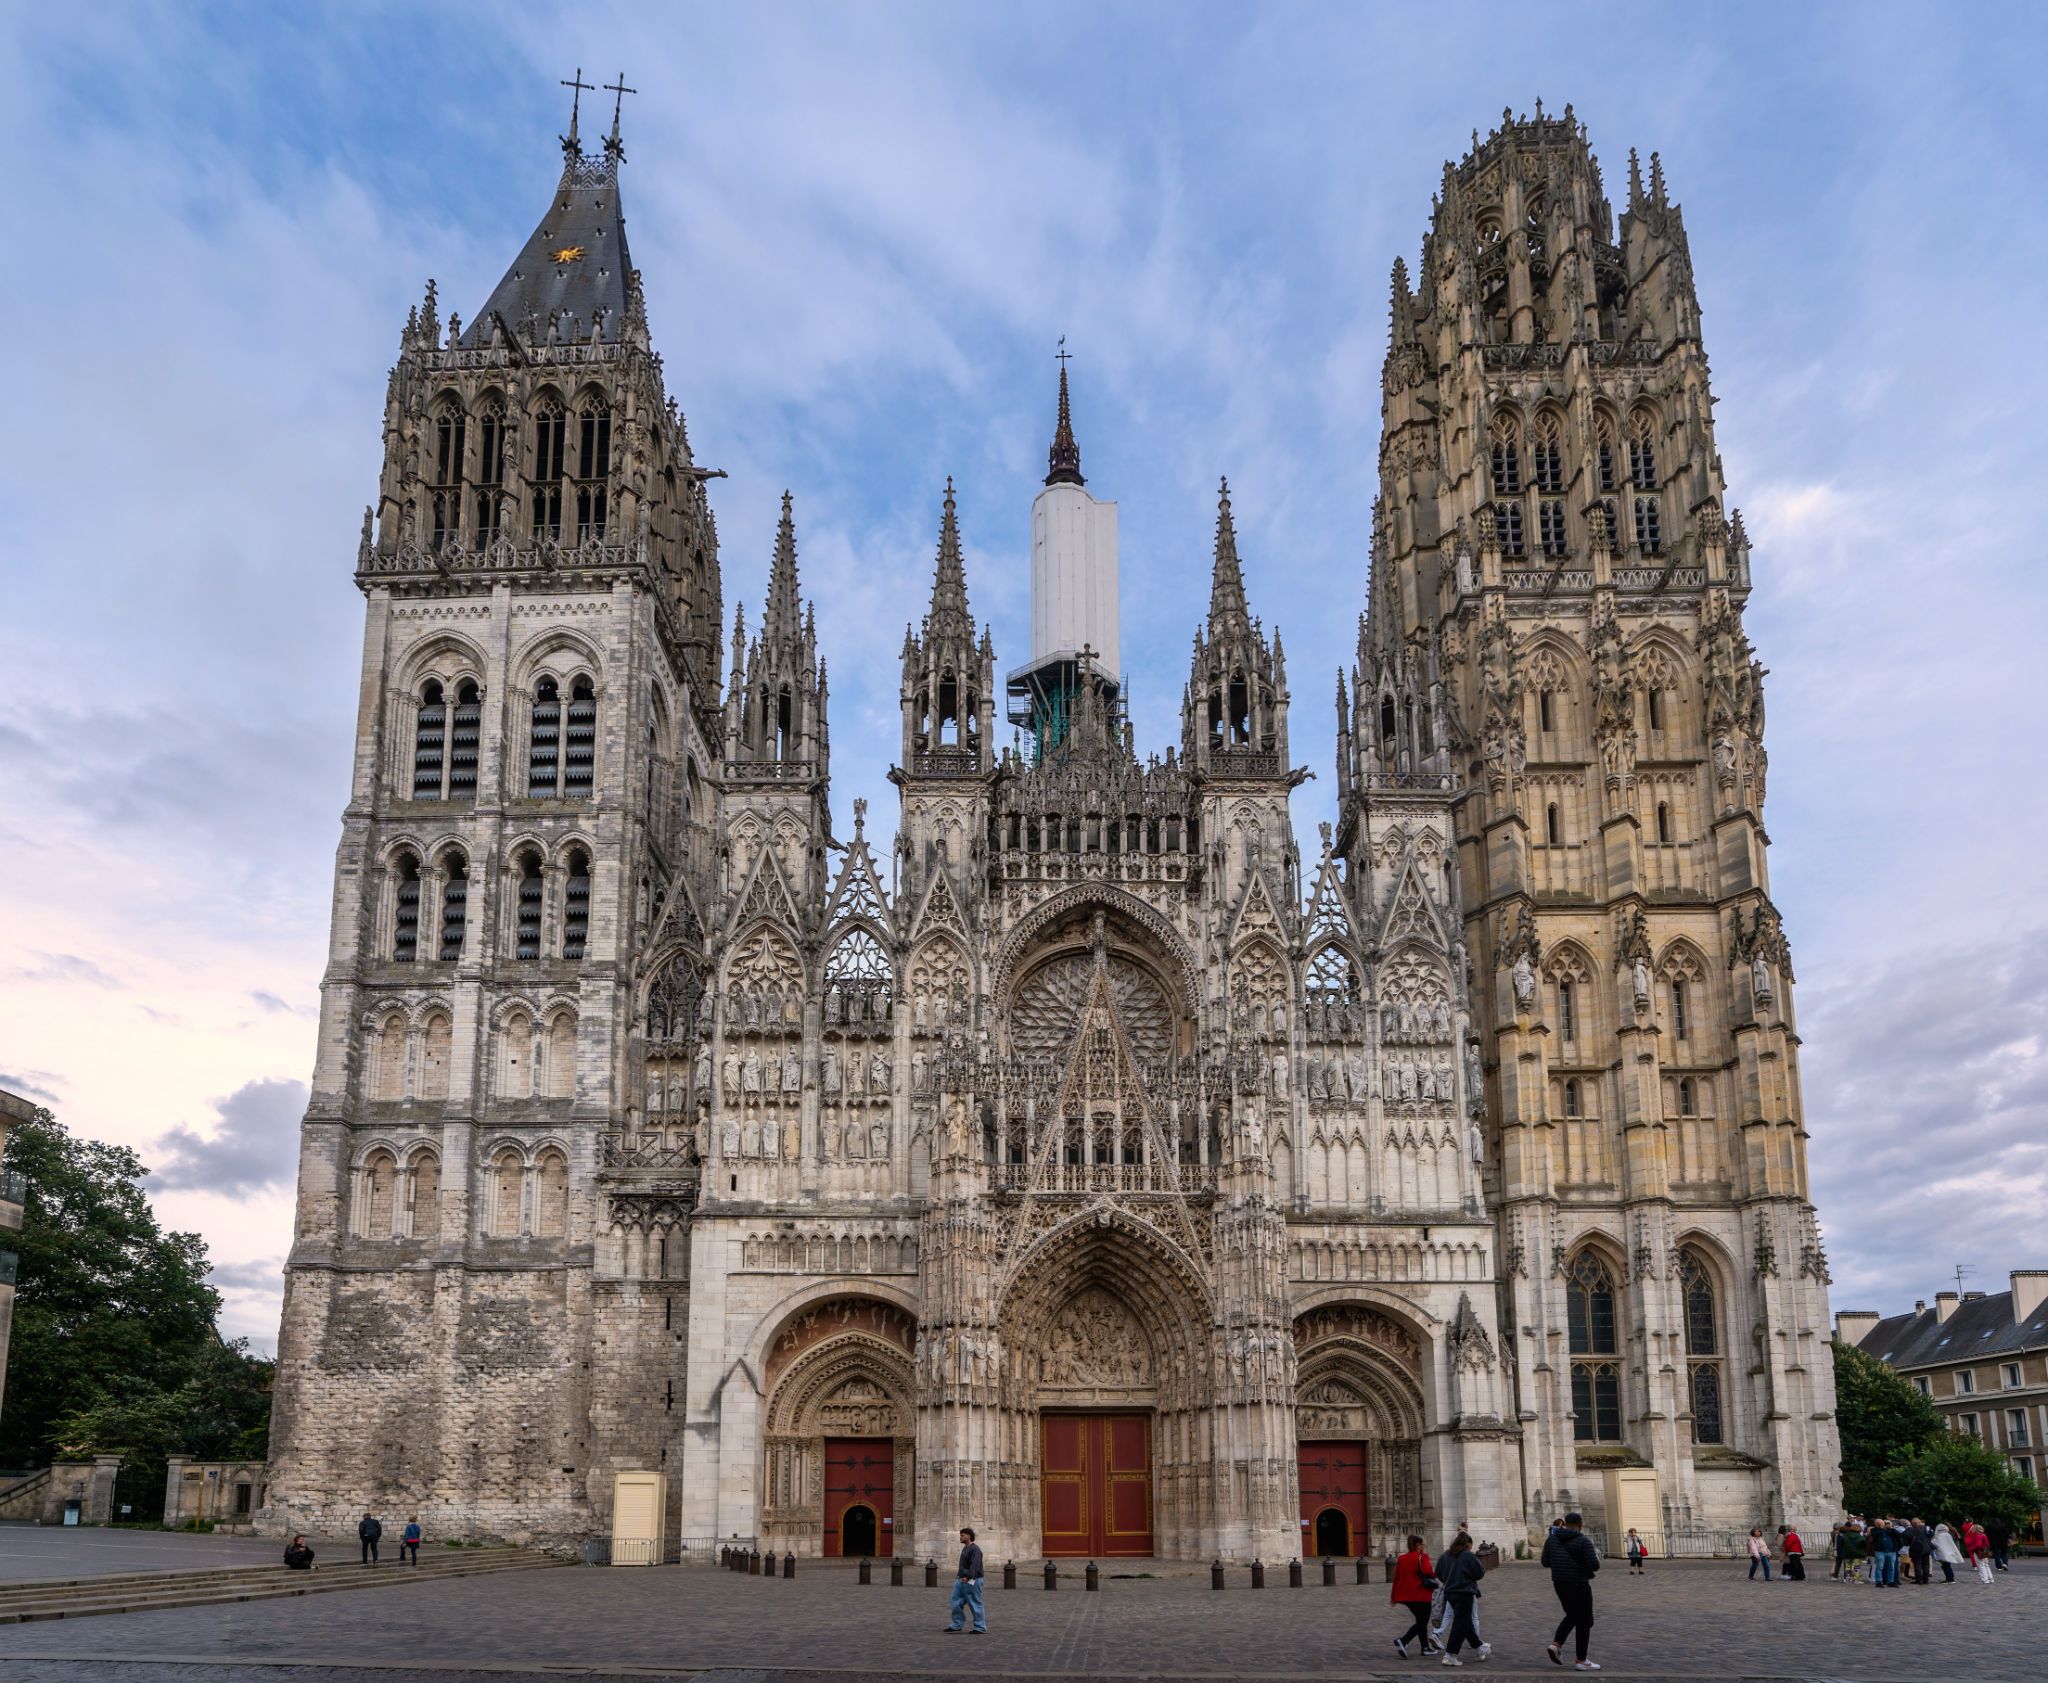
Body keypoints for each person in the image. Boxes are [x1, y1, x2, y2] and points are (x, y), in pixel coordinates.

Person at [1541, 1511, 1601, 1671]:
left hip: (1559, 1583)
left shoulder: (1552, 1539)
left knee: (1573, 1615)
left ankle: (1556, 1644)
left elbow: (1545, 1562)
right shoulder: (1583, 1540)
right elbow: (1594, 1565)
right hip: (1578, 1583)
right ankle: (1581, 1660)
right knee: (1584, 1620)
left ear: (1565, 1524)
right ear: (1580, 1525)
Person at [1432, 1531, 1488, 1666]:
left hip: (1450, 1592)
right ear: (1467, 1544)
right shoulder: (1468, 1555)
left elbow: (1438, 1572)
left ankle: (1479, 1647)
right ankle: (1450, 1654)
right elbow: (1479, 1573)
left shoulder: (1446, 1555)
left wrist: (1448, 1579)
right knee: (1461, 1624)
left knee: (1465, 1621)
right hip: (1465, 1592)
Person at [1391, 1533, 1440, 1659]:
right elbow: (1428, 1571)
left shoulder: (1402, 1558)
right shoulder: (1422, 1557)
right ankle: (1403, 1640)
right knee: (1422, 1622)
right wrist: (1435, 1575)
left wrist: (1393, 1597)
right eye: (1423, 1544)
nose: (1424, 1546)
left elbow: (1396, 1578)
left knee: (1420, 1621)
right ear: (1418, 1545)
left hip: (1405, 1595)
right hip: (1420, 1594)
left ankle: (1425, 1648)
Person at [943, 1526, 985, 1635]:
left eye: (962, 1535)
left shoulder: (975, 1549)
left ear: (969, 1536)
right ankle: (957, 1625)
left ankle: (980, 1627)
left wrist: (969, 1577)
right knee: (955, 1601)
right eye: (960, 1535)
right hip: (961, 1579)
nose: (960, 1537)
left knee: (974, 1603)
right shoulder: (965, 1548)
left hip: (972, 1580)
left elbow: (975, 1565)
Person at [1868, 1517, 1899, 1587]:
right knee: (1879, 1567)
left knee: (1891, 1567)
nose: (1884, 1525)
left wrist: (1891, 1528)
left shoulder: (1890, 1530)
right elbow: (1875, 1535)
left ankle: (1890, 1581)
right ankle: (1879, 1582)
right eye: (1882, 1523)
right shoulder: (1874, 1530)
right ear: (1877, 1524)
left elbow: (1899, 1535)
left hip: (1891, 1551)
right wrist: (1881, 1528)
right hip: (1880, 1552)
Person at [1962, 1519, 1993, 1585]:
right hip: (1984, 1552)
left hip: (1979, 1552)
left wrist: (1972, 1549)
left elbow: (1978, 1545)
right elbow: (1987, 1544)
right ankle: (1990, 1578)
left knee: (1981, 1566)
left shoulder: (1977, 1535)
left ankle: (1984, 1580)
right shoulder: (1983, 1535)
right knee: (1986, 1565)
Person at [1904, 1518, 1932, 1585]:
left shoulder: (1910, 1529)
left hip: (1916, 1550)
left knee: (1917, 1565)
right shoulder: (1926, 1528)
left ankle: (1919, 1580)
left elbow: (1905, 1539)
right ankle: (1925, 1580)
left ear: (1912, 1523)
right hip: (1926, 1549)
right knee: (1926, 1565)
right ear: (1920, 1522)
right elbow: (1931, 1535)